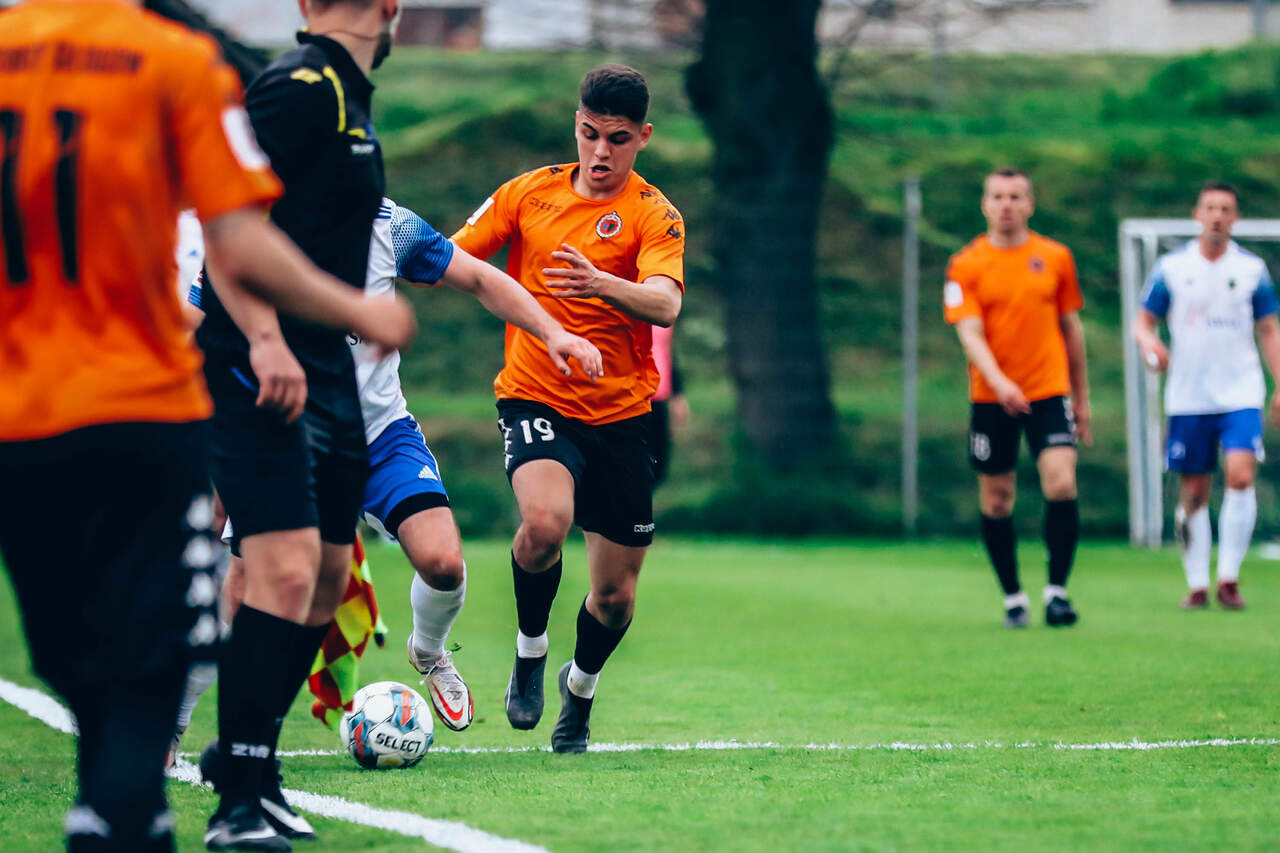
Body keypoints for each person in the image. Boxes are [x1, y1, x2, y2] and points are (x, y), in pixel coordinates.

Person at [0, 3, 412, 852]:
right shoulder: (188, 64)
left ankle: (158, 795)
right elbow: (236, 237)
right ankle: (178, 802)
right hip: (162, 393)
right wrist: (329, 317)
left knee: (90, 653)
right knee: (173, 642)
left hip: (31, 408)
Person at [175, 198, 603, 755]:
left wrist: (553, 332)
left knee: (444, 564)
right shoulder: (250, 231)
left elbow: (477, 276)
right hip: (284, 439)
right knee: (247, 593)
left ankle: (428, 650)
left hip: (380, 436)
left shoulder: (386, 223)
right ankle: (178, 723)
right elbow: (195, 328)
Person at [189, 1, 414, 848]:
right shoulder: (298, 88)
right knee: (281, 572)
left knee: (324, 579)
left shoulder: (349, 96)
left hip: (327, 369)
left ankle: (250, 758)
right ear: (391, 7)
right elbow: (228, 228)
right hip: (262, 364)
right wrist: (264, 336)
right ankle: (238, 799)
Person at [452, 64, 685, 753]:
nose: (600, 151)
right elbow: (453, 257)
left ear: (643, 136)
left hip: (621, 415)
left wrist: (602, 283)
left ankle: (578, 689)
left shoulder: (654, 213)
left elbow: (665, 303)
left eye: (618, 138)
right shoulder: (528, 193)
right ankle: (529, 649)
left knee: (614, 598)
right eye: (589, 134)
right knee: (544, 524)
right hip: (536, 394)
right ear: (576, 126)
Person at [944, 167, 1090, 630]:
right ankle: (1013, 598)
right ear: (984, 205)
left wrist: (1081, 398)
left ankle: (1057, 593)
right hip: (992, 397)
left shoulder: (1055, 257)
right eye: (998, 197)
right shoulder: (965, 265)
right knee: (997, 499)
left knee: (1061, 482)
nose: (1006, 205)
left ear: (1030, 204)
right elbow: (970, 333)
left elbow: (1071, 329)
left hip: (1048, 390)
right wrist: (1001, 382)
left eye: (1015, 196)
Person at [1133, 182, 1280, 610]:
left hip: (1241, 391)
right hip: (1189, 395)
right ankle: (1197, 582)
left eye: (1226, 209)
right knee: (1194, 491)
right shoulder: (1172, 267)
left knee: (1240, 475)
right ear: (1197, 214)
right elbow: (1143, 321)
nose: (1217, 216)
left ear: (1236, 218)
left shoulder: (1251, 269)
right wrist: (1149, 343)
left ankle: (1228, 578)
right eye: (1210, 208)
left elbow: (1269, 329)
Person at [647, 323, 691, 490]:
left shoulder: (663, 313)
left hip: (659, 398)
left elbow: (666, 350)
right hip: (631, 398)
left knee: (659, 467)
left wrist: (677, 393)